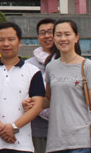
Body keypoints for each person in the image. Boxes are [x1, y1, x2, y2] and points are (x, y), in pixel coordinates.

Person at [43, 19, 91, 153]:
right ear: (54, 38)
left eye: (67, 34)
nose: (63, 39)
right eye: (59, 35)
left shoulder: (87, 66)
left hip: (81, 140)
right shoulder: (50, 67)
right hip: (56, 141)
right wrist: (31, 102)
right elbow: (48, 99)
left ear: (76, 37)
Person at [0, 22, 45, 153]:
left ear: (19, 42)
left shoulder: (33, 72)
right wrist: (2, 128)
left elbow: (37, 106)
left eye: (11, 39)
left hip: (22, 146)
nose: (6, 44)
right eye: (1, 40)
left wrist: (14, 127)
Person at [26, 18, 56, 153]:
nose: (47, 36)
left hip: (65, 128)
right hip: (37, 129)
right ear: (38, 37)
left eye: (51, 32)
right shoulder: (28, 65)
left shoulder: (67, 61)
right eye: (42, 33)